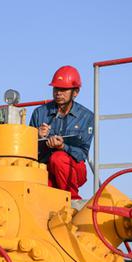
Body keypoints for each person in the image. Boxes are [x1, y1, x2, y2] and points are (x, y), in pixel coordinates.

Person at [29, 65, 93, 200]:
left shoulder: (86, 116)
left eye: (64, 89)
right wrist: (37, 136)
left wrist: (62, 147)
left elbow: (82, 153)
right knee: (38, 188)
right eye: (56, 88)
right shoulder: (39, 113)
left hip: (73, 169)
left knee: (58, 158)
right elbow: (28, 152)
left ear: (76, 92)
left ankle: (72, 201)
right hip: (46, 169)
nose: (58, 93)